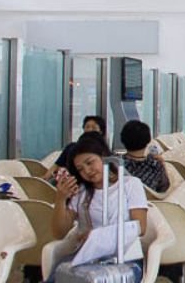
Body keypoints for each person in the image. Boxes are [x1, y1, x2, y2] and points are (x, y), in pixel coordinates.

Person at [50, 133, 148, 282]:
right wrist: (60, 199)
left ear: (103, 157)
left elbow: (140, 227)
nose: (87, 171)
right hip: (87, 257)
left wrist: (98, 237)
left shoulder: (130, 184)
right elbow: (59, 232)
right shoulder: (81, 193)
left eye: (90, 163)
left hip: (125, 258)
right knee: (60, 274)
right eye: (81, 169)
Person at [44, 115, 107, 180]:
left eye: (94, 128)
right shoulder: (71, 147)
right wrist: (44, 179)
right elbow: (56, 166)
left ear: (101, 131)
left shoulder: (102, 150)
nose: (90, 130)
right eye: (87, 127)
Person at [120, 120, 170, 193]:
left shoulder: (116, 165)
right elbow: (164, 187)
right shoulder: (155, 164)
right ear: (148, 140)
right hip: (149, 203)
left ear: (123, 139)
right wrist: (162, 163)